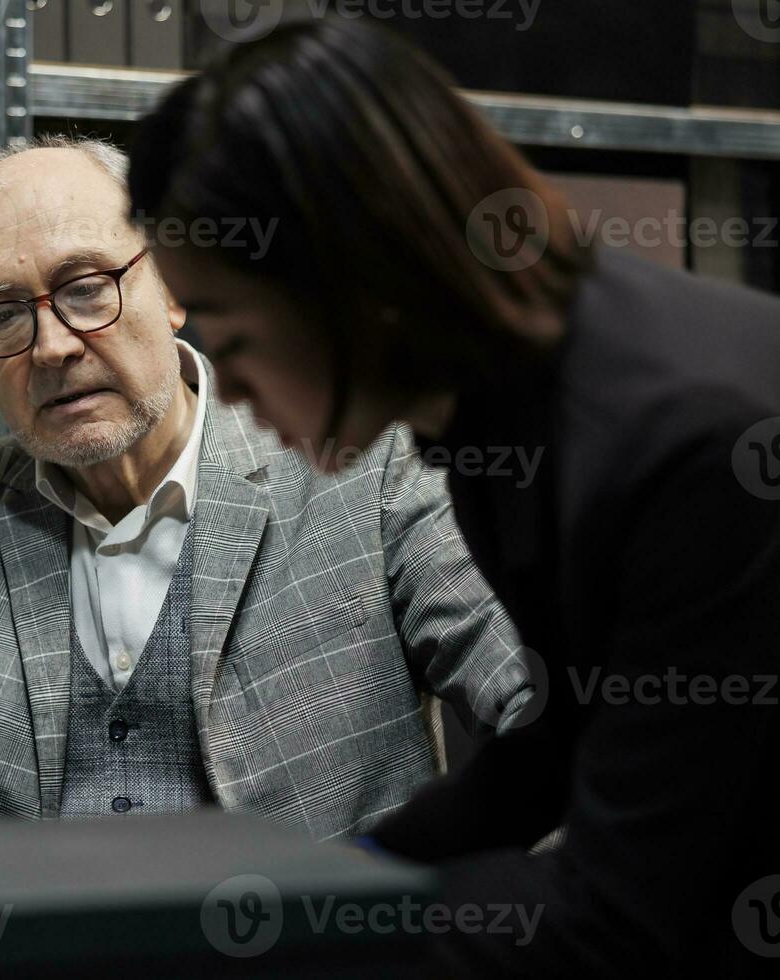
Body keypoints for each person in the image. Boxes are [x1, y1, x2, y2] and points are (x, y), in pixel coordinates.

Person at [126, 17, 780, 978]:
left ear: (354, 285)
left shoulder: (693, 448)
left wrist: (288, 942)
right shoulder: (494, 406)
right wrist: (349, 871)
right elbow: (564, 744)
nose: (230, 393)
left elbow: (617, 917)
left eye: (231, 343)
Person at [0, 137, 532, 837]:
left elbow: (531, 691)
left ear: (173, 285)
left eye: (87, 286)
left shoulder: (361, 458)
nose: (53, 346)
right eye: (1, 314)